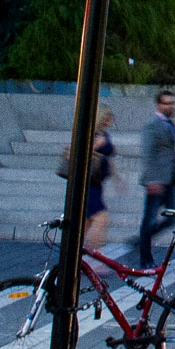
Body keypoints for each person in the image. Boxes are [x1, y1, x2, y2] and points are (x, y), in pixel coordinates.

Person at [134, 90, 175, 269]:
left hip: (169, 180)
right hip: (156, 181)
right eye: (167, 103)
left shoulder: (171, 125)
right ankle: (145, 259)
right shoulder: (152, 125)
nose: (171, 107)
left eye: (173, 103)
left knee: (173, 217)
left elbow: (171, 153)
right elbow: (147, 153)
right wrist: (150, 180)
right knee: (149, 220)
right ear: (158, 105)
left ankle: (140, 241)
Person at [78, 106, 117, 251]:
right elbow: (83, 152)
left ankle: (81, 257)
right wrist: (97, 146)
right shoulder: (92, 134)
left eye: (110, 119)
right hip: (89, 183)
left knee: (88, 222)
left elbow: (108, 156)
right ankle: (92, 255)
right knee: (101, 218)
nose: (109, 121)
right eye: (107, 118)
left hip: (97, 182)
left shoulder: (103, 134)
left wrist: (117, 179)